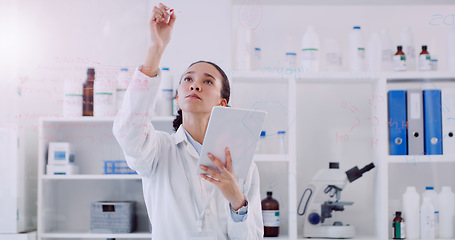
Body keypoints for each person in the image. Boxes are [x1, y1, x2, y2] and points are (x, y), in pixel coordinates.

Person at [113, 3, 263, 240]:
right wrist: (156, 48)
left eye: (208, 82)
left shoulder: (241, 164)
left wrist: (237, 200)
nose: (195, 85)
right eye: (188, 79)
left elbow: (252, 238)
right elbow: (128, 131)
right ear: (177, 98)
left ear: (222, 103)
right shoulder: (157, 151)